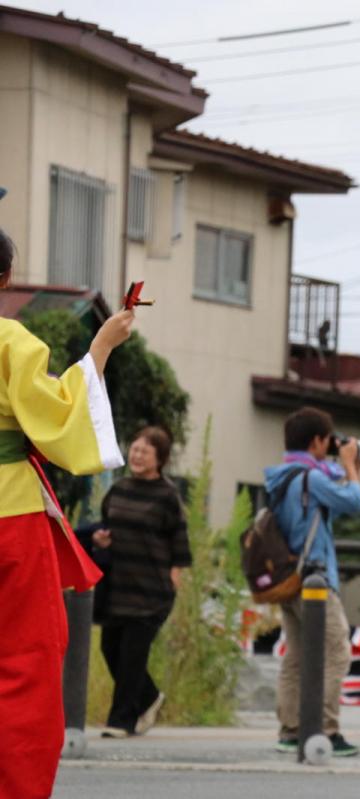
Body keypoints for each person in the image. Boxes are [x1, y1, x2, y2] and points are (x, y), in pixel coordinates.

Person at [0, 226, 133, 797]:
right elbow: (58, 419)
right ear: (4, 279)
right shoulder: (10, 342)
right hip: (10, 517)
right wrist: (100, 348)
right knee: (24, 664)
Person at [265, 407, 360, 757]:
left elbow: (326, 510)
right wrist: (351, 469)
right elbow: (356, 503)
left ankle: (291, 729)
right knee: (338, 652)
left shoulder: (286, 476)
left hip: (288, 579)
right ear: (317, 441)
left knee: (295, 657)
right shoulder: (312, 478)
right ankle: (324, 728)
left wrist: (351, 471)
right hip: (315, 580)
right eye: (327, 439)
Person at [91, 426, 190, 737]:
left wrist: (175, 579)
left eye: (144, 451)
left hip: (152, 590)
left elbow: (180, 543)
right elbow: (106, 526)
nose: (136, 455)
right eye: (134, 449)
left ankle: (121, 721)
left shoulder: (167, 496)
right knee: (111, 649)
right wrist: (100, 539)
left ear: (159, 459)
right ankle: (149, 698)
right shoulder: (118, 490)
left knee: (133, 656)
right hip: (117, 587)